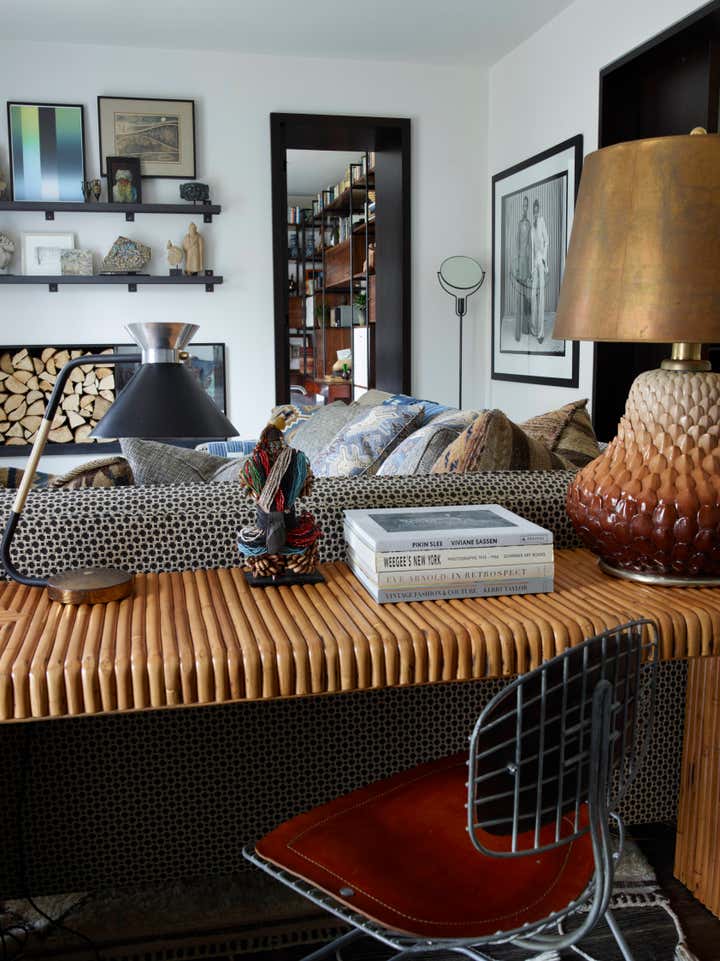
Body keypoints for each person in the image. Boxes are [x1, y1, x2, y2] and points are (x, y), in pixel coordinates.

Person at [530, 198, 549, 343]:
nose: (536, 213)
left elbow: (547, 240)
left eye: (537, 211)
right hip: (534, 265)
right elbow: (532, 249)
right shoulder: (532, 226)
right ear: (533, 212)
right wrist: (532, 267)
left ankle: (541, 334)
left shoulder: (542, 221)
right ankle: (534, 328)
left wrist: (543, 258)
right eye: (534, 211)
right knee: (533, 295)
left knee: (541, 296)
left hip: (541, 263)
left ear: (539, 210)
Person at [514, 195, 532, 340]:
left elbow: (530, 246)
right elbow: (517, 244)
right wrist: (517, 264)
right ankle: (517, 332)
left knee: (527, 296)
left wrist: (530, 267)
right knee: (519, 295)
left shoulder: (529, 224)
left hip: (527, 261)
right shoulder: (520, 224)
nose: (525, 208)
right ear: (522, 207)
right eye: (524, 205)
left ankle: (526, 328)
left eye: (527, 205)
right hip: (520, 261)